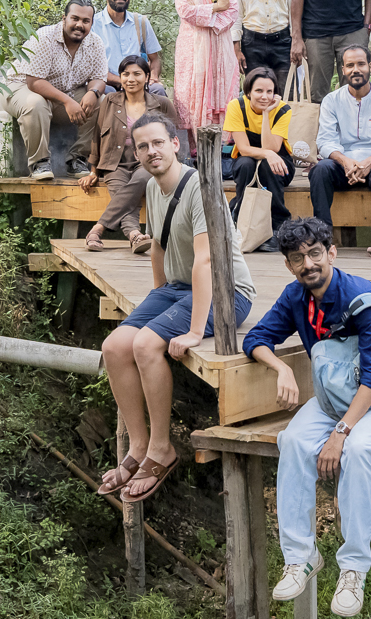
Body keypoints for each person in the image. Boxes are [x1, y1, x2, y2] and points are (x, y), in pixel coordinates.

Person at [245, 216, 371, 619]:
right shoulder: (296, 296)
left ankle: (354, 568)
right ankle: (301, 556)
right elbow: (256, 338)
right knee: (293, 441)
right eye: (298, 258)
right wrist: (281, 368)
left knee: (358, 450)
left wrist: (340, 434)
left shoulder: (361, 297)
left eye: (314, 253)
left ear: (331, 253)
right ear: (289, 265)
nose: (308, 264)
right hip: (334, 399)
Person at [97, 114, 257, 504]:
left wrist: (194, 330)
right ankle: (137, 446)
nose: (151, 151)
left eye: (157, 143)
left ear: (174, 143)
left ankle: (161, 448)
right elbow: (158, 244)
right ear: (136, 154)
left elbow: (206, 261)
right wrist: (157, 297)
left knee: (145, 345)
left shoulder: (200, 189)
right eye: (142, 146)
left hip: (227, 291)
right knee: (114, 347)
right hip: (177, 288)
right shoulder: (153, 187)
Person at [309, 44, 371, 258]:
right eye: (350, 65)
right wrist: (346, 162)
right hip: (343, 166)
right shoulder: (332, 100)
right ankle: (323, 239)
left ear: (370, 67)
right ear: (343, 69)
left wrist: (368, 163)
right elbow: (325, 141)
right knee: (320, 169)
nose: (356, 69)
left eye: (361, 64)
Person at [85, 55, 178, 253]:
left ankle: (97, 229)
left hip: (147, 161)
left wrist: (174, 166)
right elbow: (97, 135)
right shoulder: (109, 101)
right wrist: (93, 171)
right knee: (122, 192)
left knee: (140, 180)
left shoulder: (161, 103)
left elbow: (175, 138)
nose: (130, 79)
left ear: (147, 77)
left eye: (137, 74)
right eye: (125, 74)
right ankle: (135, 235)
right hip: (114, 163)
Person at [3, 0, 104, 181]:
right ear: (64, 18)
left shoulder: (95, 43)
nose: (79, 25)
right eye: (75, 18)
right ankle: (39, 162)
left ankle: (77, 159)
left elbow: (99, 77)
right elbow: (34, 82)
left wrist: (93, 92)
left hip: (62, 93)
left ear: (91, 23)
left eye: (85, 21)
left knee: (102, 102)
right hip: (20, 86)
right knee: (36, 103)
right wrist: (67, 101)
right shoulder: (45, 37)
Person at [172, 0, 241, 131]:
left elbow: (233, 11)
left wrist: (206, 19)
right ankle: (196, 144)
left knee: (222, 91)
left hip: (221, 46)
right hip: (193, 49)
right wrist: (215, 7)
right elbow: (185, 11)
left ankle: (223, 142)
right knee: (193, 92)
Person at [223, 66, 294, 234]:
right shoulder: (236, 106)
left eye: (269, 92)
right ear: (248, 92)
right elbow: (243, 149)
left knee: (267, 166)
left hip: (279, 164)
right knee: (246, 164)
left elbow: (272, 148)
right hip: (246, 161)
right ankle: (241, 218)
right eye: (259, 91)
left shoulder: (283, 109)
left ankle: (278, 226)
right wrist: (267, 154)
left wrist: (266, 113)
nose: (265, 97)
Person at [92, 0, 165, 95]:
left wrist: (153, 77)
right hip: (108, 85)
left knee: (157, 90)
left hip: (138, 84)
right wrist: (122, 81)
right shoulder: (93, 24)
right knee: (104, 93)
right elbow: (92, 68)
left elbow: (155, 59)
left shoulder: (140, 22)